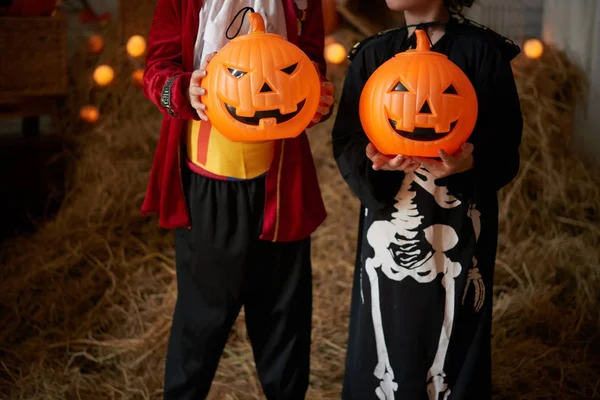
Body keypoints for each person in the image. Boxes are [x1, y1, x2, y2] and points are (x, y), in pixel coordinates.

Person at [141, 0, 334, 398]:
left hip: (281, 186)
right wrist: (181, 90)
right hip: (208, 182)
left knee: (284, 319)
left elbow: (311, 64)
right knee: (202, 320)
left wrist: (316, 97)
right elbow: (156, 68)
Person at [331, 0, 522, 398]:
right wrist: (373, 167)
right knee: (386, 323)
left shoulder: (483, 52)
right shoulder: (372, 54)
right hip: (387, 217)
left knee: (456, 333)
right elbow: (347, 139)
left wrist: (470, 165)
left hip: (459, 223)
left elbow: (506, 150)